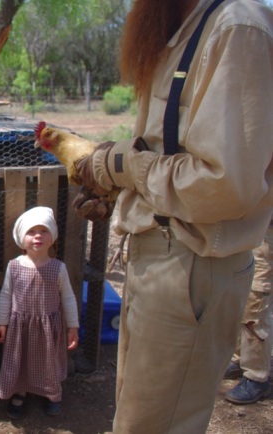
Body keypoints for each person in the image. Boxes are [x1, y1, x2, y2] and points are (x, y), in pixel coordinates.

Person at [70, 0, 273, 432]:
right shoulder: (184, 29)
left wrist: (119, 166)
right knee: (138, 420)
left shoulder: (236, 28)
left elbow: (224, 184)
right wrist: (121, 193)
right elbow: (168, 149)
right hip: (162, 263)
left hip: (190, 269)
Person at [0, 206, 79, 419]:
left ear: (53, 237)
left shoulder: (58, 268)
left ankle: (52, 394)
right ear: (22, 238)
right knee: (20, 360)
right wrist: (2, 323)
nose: (38, 236)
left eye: (44, 231)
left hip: (48, 328)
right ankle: (20, 392)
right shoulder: (14, 266)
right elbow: (6, 294)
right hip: (20, 327)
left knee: (48, 361)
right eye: (31, 232)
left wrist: (73, 326)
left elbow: (68, 297)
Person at [224, 220, 273, 404]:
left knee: (257, 304)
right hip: (249, 228)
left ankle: (256, 377)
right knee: (240, 296)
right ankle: (239, 359)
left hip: (267, 234)